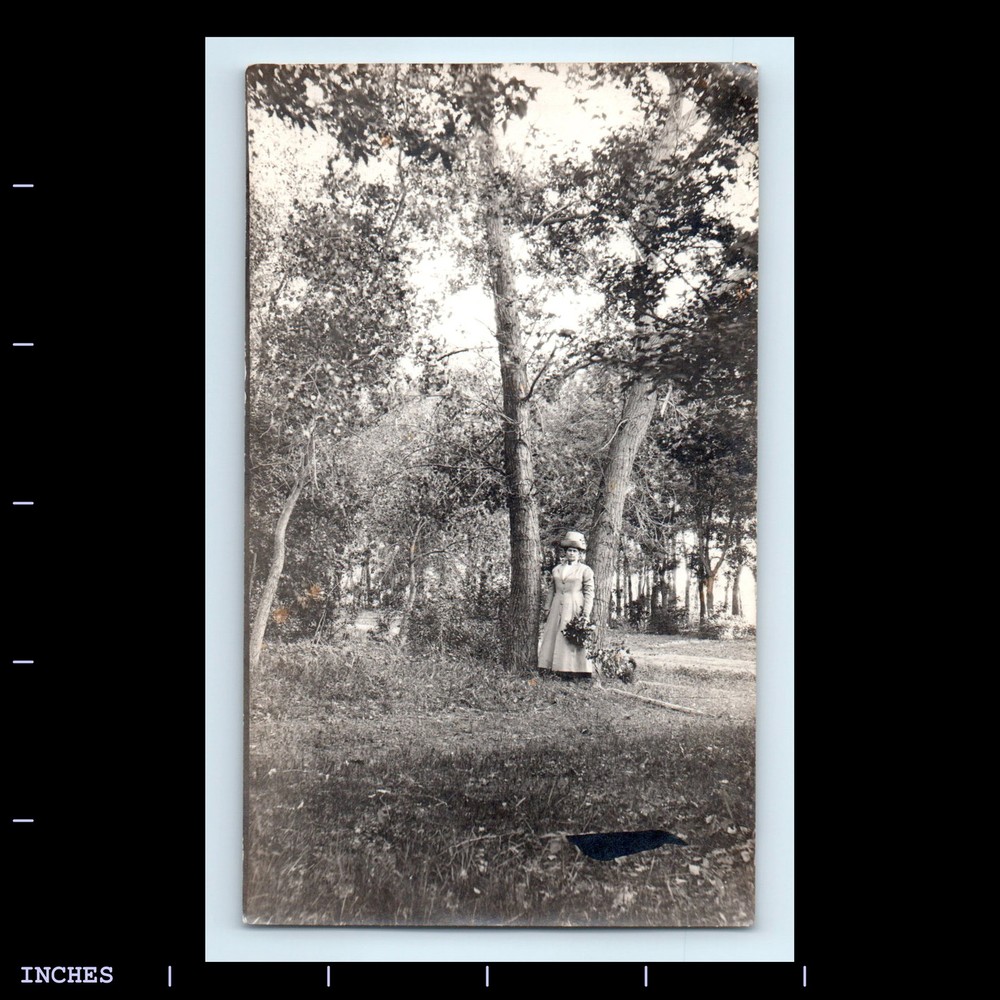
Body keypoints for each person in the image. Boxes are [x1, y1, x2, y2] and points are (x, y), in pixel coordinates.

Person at [538, 530, 595, 678]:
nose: (571, 554)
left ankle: (574, 670)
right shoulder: (557, 569)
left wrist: (586, 614)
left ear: (579, 554)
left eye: (574, 551)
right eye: (569, 550)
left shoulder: (585, 570)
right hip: (557, 604)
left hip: (575, 604)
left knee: (570, 635)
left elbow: (589, 592)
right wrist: (546, 607)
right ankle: (550, 666)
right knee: (553, 634)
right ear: (565, 552)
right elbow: (552, 589)